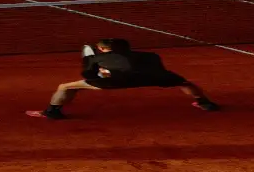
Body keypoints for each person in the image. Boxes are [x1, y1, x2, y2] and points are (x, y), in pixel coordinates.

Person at [27, 38, 220, 119]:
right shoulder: (150, 55)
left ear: (102, 49)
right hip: (153, 77)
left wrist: (101, 72)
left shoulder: (95, 57)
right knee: (185, 83)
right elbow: (158, 69)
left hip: (116, 81)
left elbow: (88, 76)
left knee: (66, 87)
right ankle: (205, 103)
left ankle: (52, 112)